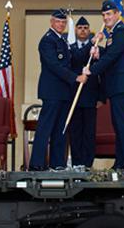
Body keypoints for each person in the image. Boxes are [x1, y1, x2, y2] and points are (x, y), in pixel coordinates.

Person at [83, 0, 124, 171]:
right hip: (116, 86)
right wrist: (98, 51)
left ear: (117, 14)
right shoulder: (113, 34)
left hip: (122, 86)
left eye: (108, 14)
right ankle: (121, 162)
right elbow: (109, 54)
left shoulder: (121, 32)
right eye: (103, 15)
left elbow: (112, 58)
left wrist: (91, 70)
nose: (105, 18)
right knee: (119, 124)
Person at [30, 10, 87, 171]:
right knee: (45, 128)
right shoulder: (47, 41)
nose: (61, 24)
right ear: (51, 22)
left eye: (63, 22)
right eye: (58, 22)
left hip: (64, 92)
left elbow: (74, 58)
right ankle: (37, 164)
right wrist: (75, 78)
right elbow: (55, 66)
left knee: (61, 129)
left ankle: (58, 164)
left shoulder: (62, 40)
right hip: (52, 92)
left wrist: (92, 44)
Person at [68, 16, 100, 168]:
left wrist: (101, 96)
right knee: (75, 133)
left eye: (85, 28)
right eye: (80, 28)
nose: (82, 30)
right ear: (75, 30)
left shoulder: (98, 47)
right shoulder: (70, 47)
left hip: (90, 96)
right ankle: (76, 163)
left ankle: (87, 164)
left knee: (89, 133)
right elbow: (77, 58)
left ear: (89, 30)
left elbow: (102, 73)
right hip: (73, 96)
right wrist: (91, 44)